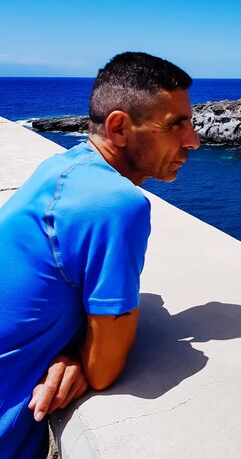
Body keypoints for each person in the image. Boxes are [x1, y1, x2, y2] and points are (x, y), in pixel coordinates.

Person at [0, 52, 200, 458]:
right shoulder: (114, 203)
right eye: (176, 125)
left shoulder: (61, 167)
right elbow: (104, 368)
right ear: (120, 127)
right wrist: (81, 356)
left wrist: (72, 346)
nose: (193, 140)